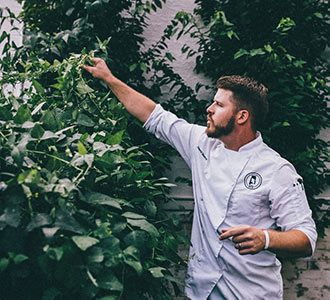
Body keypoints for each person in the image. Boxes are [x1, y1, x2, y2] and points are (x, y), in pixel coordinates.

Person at [84, 58, 317, 300]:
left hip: (251, 294)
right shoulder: (202, 144)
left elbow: (306, 239)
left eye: (218, 105)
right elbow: (155, 116)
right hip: (201, 291)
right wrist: (108, 79)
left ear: (241, 116)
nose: (210, 109)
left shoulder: (277, 169)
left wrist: (266, 237)